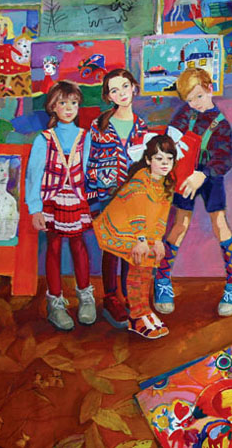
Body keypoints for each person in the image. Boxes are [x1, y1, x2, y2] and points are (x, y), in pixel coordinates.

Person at [153, 67, 232, 317]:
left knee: (220, 223)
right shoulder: (186, 112)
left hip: (210, 177)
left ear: (210, 89)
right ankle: (162, 279)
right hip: (185, 174)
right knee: (180, 223)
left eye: (199, 97)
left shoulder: (221, 124)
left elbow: (224, 160)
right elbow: (171, 137)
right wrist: (172, 142)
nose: (195, 104)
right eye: (190, 100)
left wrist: (202, 174)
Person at [92, 134, 177, 339]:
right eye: (159, 158)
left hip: (141, 230)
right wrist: (141, 240)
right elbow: (137, 214)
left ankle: (143, 309)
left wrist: (157, 240)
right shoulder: (139, 182)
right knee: (140, 258)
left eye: (169, 158)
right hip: (117, 228)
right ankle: (137, 315)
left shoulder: (166, 184)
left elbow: (160, 216)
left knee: (151, 257)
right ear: (148, 160)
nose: (165, 163)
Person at [25, 81, 95, 331]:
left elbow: (89, 171)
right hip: (52, 200)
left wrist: (93, 200)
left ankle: (85, 296)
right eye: (63, 103)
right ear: (52, 107)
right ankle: (55, 302)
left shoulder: (85, 136)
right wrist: (35, 208)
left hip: (77, 199)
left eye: (73, 103)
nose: (68, 108)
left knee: (79, 245)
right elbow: (33, 175)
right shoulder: (43, 139)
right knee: (53, 247)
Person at [86, 69, 148, 329]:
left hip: (134, 198)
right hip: (107, 197)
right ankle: (111, 297)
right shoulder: (99, 126)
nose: (121, 93)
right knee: (111, 247)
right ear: (108, 96)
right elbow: (91, 164)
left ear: (133, 87)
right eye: (114, 90)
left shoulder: (141, 126)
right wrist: (93, 201)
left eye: (125, 86)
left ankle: (129, 295)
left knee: (130, 248)